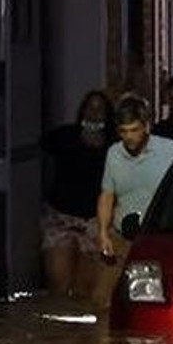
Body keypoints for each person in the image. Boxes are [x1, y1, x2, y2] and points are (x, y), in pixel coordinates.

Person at [94, 95, 173, 310]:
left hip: (158, 238)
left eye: (134, 130)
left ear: (146, 126)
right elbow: (107, 194)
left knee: (154, 302)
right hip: (122, 237)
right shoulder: (114, 154)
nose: (129, 137)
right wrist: (103, 232)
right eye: (124, 132)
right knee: (102, 300)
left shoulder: (171, 151)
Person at [39, 91, 114, 298]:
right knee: (58, 282)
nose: (95, 113)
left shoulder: (114, 145)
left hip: (95, 221)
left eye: (100, 109)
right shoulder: (65, 136)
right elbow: (41, 150)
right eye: (90, 107)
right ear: (82, 111)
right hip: (61, 216)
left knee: (85, 290)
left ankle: (81, 329)